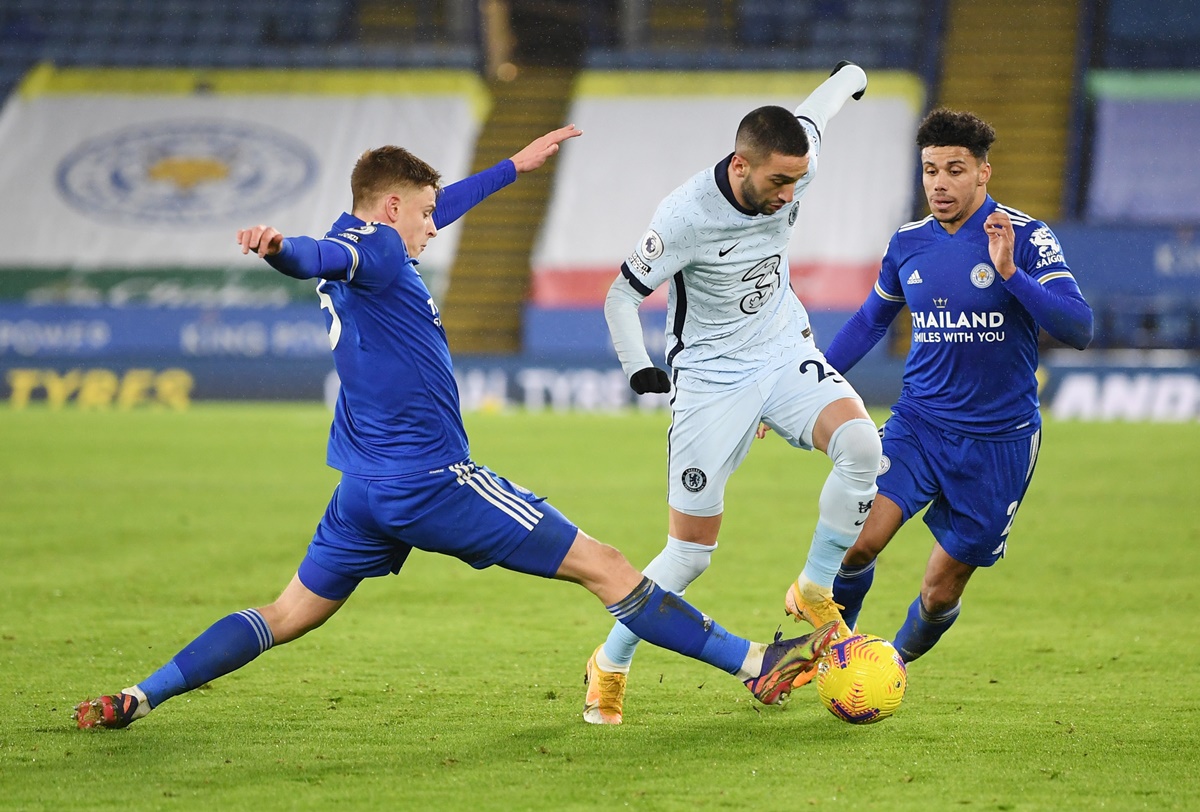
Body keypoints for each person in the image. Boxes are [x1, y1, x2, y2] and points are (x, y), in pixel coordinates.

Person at [74, 125, 840, 731]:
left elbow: (408, 216)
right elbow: (318, 254)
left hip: (364, 490)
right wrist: (278, 250)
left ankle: (140, 696)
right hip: (432, 481)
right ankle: (755, 663)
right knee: (605, 565)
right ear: (390, 210)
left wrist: (513, 165)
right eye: (426, 216)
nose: (434, 230)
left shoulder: (373, 240)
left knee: (284, 614)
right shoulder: (368, 248)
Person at [584, 62, 879, 725]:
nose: (789, 196)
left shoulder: (794, 162)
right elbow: (622, 293)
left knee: (862, 444)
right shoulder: (685, 214)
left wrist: (851, 77)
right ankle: (610, 662)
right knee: (689, 554)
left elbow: (820, 110)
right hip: (711, 378)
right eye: (778, 182)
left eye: (797, 181)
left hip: (781, 349)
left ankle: (814, 588)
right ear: (742, 166)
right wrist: (639, 369)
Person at [824, 108, 1093, 662]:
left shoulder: (1026, 238)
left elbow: (1079, 327)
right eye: (930, 170)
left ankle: (889, 668)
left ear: (983, 173)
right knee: (855, 544)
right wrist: (805, 386)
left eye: (954, 170)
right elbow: (870, 321)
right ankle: (825, 653)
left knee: (939, 589)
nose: (940, 184)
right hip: (919, 425)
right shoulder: (908, 243)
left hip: (1000, 441)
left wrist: (1011, 274)